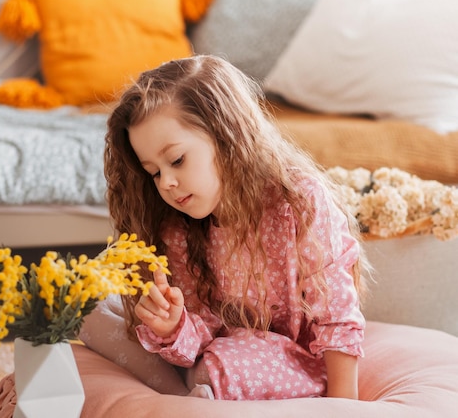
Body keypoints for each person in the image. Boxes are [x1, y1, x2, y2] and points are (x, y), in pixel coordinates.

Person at [103, 54, 369, 401]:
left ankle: (188, 396)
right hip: (213, 357)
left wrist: (343, 407)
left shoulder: (298, 202)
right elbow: (203, 334)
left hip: (294, 366)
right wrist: (173, 325)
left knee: (220, 365)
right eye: (154, 172)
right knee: (93, 310)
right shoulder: (177, 230)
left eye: (177, 160)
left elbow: (336, 313)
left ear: (226, 137)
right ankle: (190, 394)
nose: (166, 182)